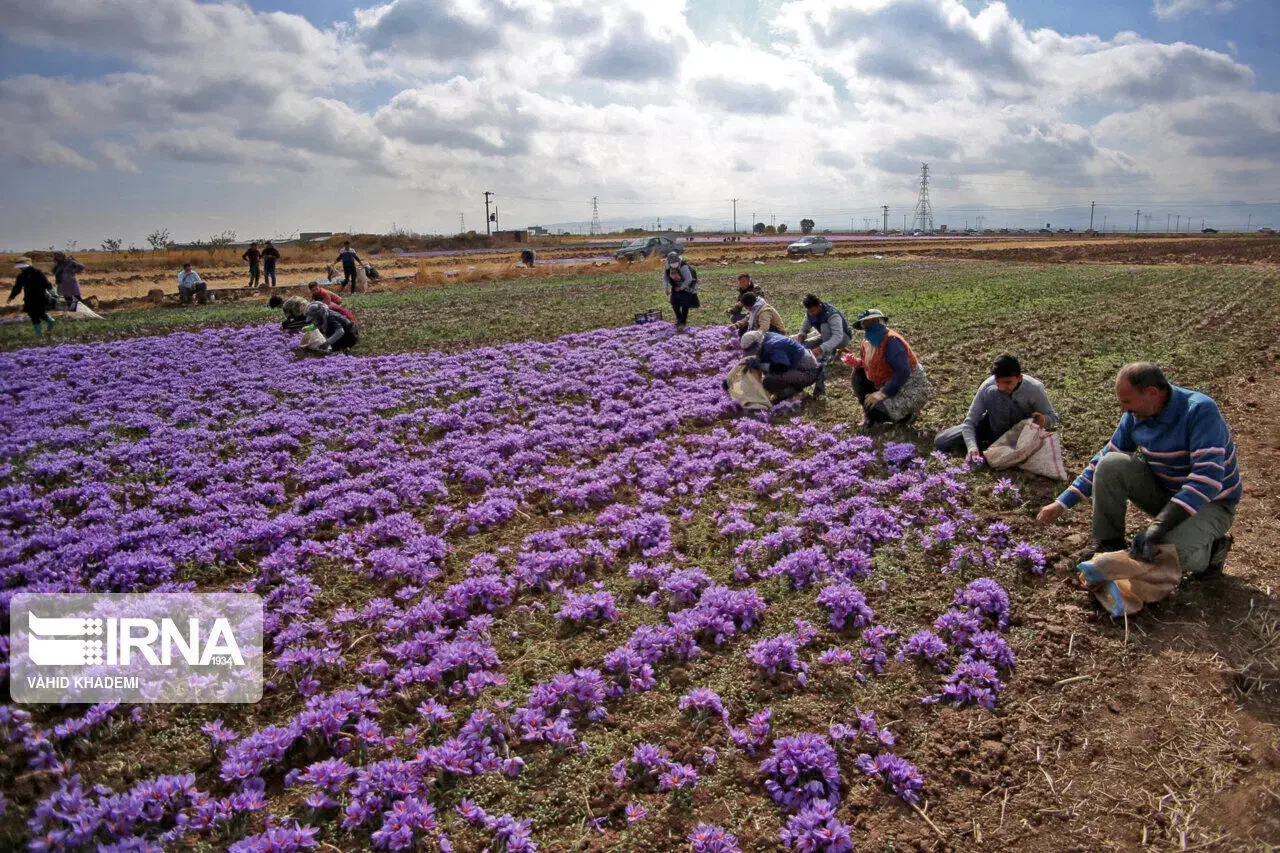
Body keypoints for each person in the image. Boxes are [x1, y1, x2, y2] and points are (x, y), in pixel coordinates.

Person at [1036, 362, 1239, 577]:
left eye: (1126, 402)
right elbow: (1107, 456)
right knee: (1111, 463)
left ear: (1152, 393)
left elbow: (1207, 480)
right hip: (1169, 495)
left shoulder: (1199, 411)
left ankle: (1213, 551)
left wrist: (1158, 526)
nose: (1123, 409)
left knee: (1163, 553)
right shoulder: (1137, 415)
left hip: (1212, 504)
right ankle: (1109, 543)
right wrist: (1062, 502)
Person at [935, 353, 1060, 462]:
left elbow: (1053, 417)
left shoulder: (1033, 388)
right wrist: (972, 447)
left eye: (1008, 382)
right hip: (994, 424)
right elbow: (970, 421)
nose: (1003, 387)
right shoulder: (988, 386)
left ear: (1019, 378)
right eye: (999, 382)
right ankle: (995, 444)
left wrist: (1041, 420)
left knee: (995, 394)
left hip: (1020, 429)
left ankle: (1002, 446)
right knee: (942, 441)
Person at [843, 308, 931, 426]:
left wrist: (882, 393)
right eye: (866, 323)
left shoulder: (891, 340)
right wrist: (856, 362)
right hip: (886, 381)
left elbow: (903, 371)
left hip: (907, 386)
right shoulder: (867, 342)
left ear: (881, 322)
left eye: (873, 322)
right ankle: (870, 413)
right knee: (858, 373)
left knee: (875, 411)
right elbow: (870, 363)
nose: (870, 326)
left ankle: (906, 416)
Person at [794, 293, 852, 397]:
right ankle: (828, 349)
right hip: (826, 337)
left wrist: (821, 348)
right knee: (804, 346)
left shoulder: (832, 314)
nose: (811, 313)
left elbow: (837, 337)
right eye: (809, 311)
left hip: (842, 338)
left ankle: (829, 354)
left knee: (824, 326)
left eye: (813, 311)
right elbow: (804, 329)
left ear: (819, 305)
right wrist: (801, 337)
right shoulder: (810, 313)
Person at [740, 329, 820, 401]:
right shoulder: (766, 337)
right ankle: (789, 391)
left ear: (757, 344)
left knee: (769, 381)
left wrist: (760, 365)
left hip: (808, 372)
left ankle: (795, 393)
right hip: (796, 366)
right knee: (766, 370)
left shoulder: (773, 346)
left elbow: (782, 367)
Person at [8, 258, 55, 337]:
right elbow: (17, 288)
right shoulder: (21, 276)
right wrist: (11, 297)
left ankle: (50, 321)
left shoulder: (38, 273)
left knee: (40, 313)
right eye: (20, 267)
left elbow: (46, 283)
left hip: (40, 297)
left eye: (22, 267)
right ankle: (39, 334)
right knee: (32, 314)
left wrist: (52, 292)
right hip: (29, 298)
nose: (21, 268)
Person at [663, 251, 699, 331]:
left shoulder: (683, 266)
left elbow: (689, 279)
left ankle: (682, 322)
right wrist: (666, 287)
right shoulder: (667, 264)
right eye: (672, 262)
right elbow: (665, 276)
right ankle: (679, 319)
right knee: (674, 302)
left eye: (675, 262)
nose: (674, 264)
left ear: (678, 260)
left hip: (687, 284)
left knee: (685, 303)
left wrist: (681, 288)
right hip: (676, 284)